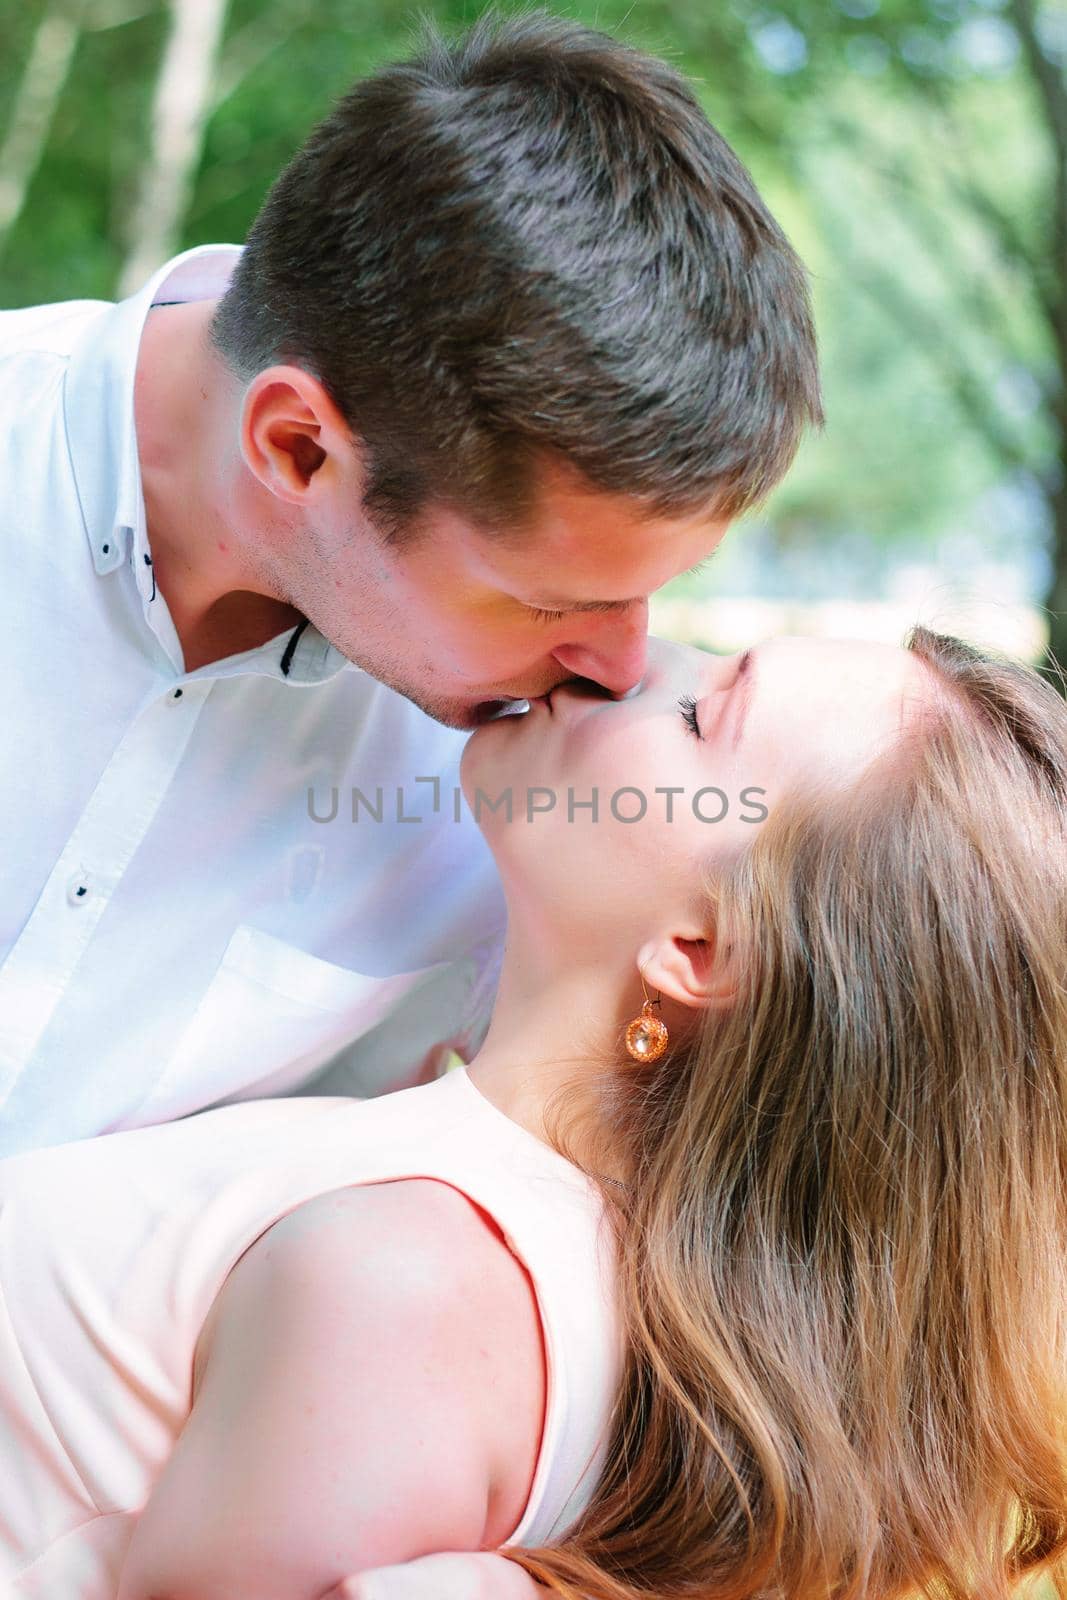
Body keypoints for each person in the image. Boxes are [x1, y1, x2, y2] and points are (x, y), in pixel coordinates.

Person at [3, 626, 1064, 1600]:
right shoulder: (513, 1249)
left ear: (701, 951)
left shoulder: (406, 1284)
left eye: (700, 715)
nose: (627, 659)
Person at [0, 9, 822, 1156]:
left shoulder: (542, 809)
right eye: (551, 600)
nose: (621, 667)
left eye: (651, 590)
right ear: (297, 447)